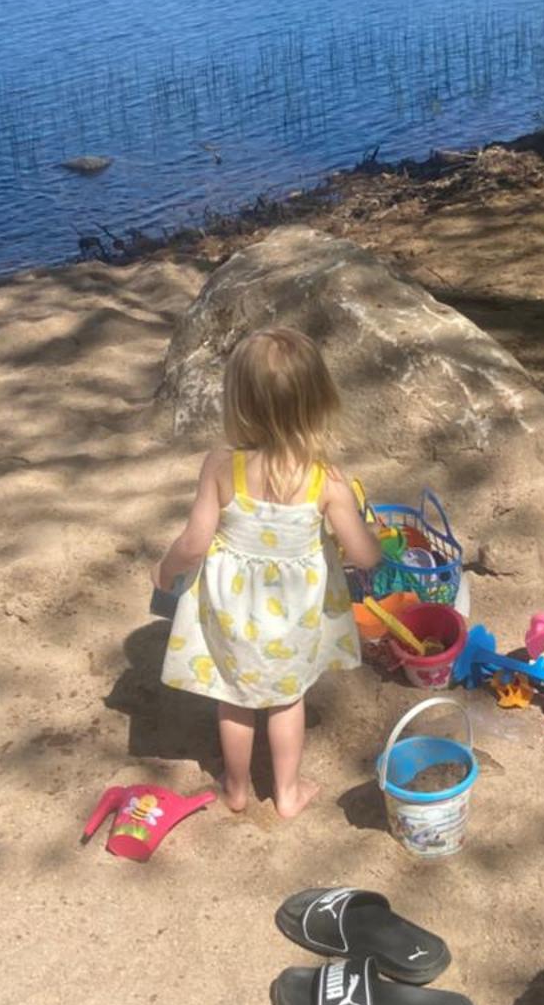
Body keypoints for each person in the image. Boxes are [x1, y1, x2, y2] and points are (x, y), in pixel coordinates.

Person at [156, 327, 382, 819]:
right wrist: (372, 541)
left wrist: (165, 570)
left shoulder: (221, 465)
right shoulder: (327, 479)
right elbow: (365, 557)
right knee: (286, 700)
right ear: (318, 400)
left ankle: (235, 790)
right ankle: (287, 793)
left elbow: (194, 543)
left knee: (234, 698)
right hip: (293, 616)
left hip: (233, 609)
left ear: (239, 402)